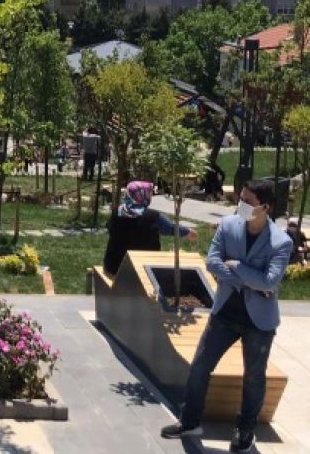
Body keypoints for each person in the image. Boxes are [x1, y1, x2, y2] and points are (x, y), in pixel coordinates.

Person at [162, 180, 294, 453]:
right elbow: (212, 261)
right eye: (240, 198)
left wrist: (236, 266)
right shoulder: (228, 225)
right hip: (224, 313)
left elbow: (270, 283)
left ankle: (245, 432)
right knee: (200, 366)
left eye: (248, 200)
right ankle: (189, 422)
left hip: (259, 322)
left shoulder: (281, 242)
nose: (241, 204)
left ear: (265, 207)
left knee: (254, 378)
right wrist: (249, 279)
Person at [103, 181, 197, 276]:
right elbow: (170, 229)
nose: (150, 196)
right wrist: (188, 232)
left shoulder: (116, 212)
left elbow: (109, 227)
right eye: (148, 193)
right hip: (145, 271)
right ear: (141, 195)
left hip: (113, 268)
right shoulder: (152, 216)